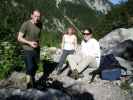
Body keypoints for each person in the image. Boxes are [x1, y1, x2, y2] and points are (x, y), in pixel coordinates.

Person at [17, 10, 42, 87]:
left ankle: (33, 81)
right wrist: (30, 43)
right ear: (31, 15)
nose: (37, 18)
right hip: (27, 49)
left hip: (36, 49)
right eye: (35, 16)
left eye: (38, 16)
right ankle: (28, 84)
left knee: (35, 67)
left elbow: (38, 36)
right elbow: (19, 38)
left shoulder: (40, 24)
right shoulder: (26, 24)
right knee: (30, 66)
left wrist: (37, 44)